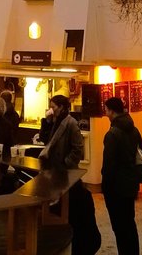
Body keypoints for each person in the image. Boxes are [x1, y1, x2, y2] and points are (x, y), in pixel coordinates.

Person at [39, 95, 100, 255]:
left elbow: (77, 149)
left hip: (64, 171)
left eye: (54, 106)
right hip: (53, 169)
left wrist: (65, 163)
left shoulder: (71, 124)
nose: (51, 109)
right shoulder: (53, 122)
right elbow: (45, 139)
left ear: (63, 107)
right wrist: (45, 122)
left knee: (67, 201)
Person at [101, 96, 142, 255]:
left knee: (119, 226)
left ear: (111, 111)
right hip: (130, 183)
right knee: (129, 224)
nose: (105, 113)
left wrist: (105, 187)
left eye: (106, 110)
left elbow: (109, 165)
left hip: (116, 187)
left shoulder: (112, 134)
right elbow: (141, 153)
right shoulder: (134, 129)